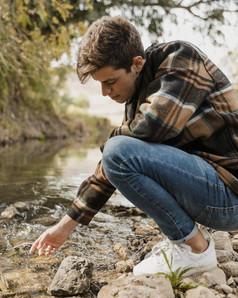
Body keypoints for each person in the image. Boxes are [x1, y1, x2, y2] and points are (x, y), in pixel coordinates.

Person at [30, 16, 238, 276]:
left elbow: (154, 127)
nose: (105, 92)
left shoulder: (181, 58)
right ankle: (187, 239)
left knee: (118, 151)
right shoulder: (138, 95)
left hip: (230, 198)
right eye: (100, 83)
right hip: (210, 192)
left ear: (136, 63)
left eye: (111, 81)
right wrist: (64, 227)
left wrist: (115, 139)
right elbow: (112, 166)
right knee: (118, 152)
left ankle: (195, 250)